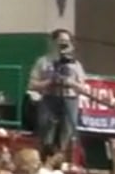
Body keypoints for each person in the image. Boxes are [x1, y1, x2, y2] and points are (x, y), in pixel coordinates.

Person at [28, 28, 86, 159]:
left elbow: (83, 88)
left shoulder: (75, 64)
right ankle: (45, 156)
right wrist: (49, 82)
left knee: (67, 131)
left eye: (67, 42)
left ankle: (61, 157)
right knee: (46, 129)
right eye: (61, 41)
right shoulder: (43, 61)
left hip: (70, 100)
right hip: (49, 99)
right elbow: (32, 84)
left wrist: (71, 83)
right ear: (53, 42)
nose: (63, 44)